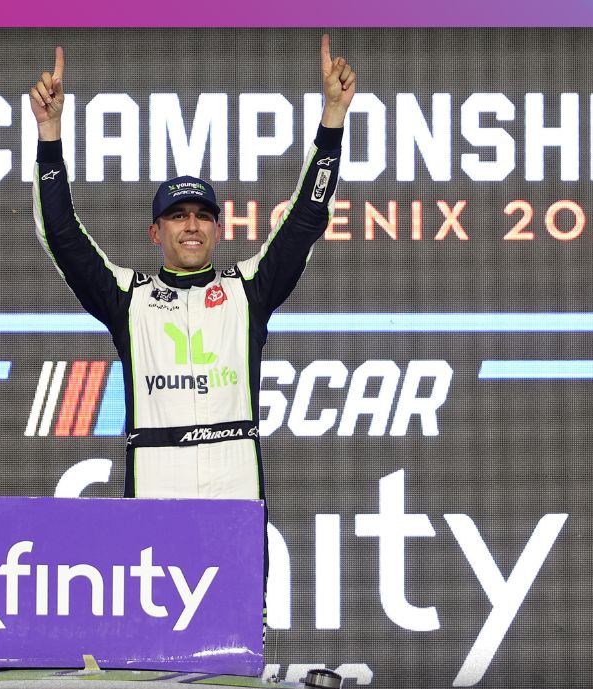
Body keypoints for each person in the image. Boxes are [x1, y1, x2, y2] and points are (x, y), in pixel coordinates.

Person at [30, 35, 355, 501]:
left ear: (218, 231)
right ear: (155, 233)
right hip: (155, 495)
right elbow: (60, 234)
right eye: (177, 215)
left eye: (203, 215)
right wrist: (49, 135)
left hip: (234, 494)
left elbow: (305, 217)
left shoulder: (249, 290)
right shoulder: (128, 297)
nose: (191, 225)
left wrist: (333, 120)